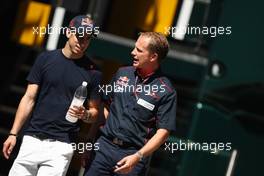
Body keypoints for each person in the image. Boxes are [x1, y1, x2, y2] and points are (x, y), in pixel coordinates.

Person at [2, 15, 102, 176]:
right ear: (69, 32)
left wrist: (85, 114)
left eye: (87, 39)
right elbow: (29, 98)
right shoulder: (45, 58)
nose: (82, 42)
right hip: (32, 139)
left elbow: (94, 112)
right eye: (79, 36)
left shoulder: (93, 72)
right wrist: (13, 133)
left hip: (62, 146)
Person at [85, 32, 177, 176]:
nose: (133, 52)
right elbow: (105, 108)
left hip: (133, 156)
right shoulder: (122, 73)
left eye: (139, 50)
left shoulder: (166, 90)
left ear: (153, 57)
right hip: (103, 149)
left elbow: (163, 132)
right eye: (135, 48)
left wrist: (138, 156)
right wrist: (90, 141)